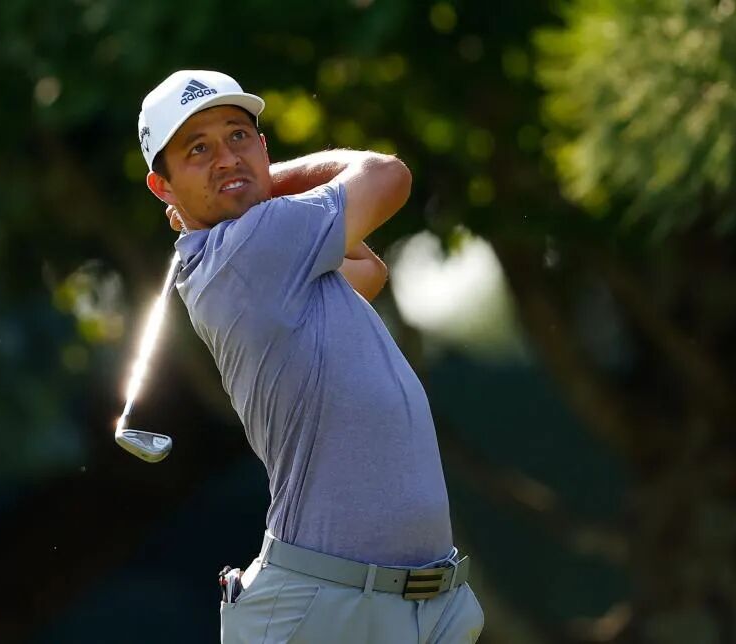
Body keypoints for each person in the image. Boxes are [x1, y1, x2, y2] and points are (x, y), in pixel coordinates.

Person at [137, 70, 483, 643]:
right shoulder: (254, 242)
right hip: (326, 609)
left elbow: (366, 271)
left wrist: (248, 183)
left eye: (238, 137)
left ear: (262, 144)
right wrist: (262, 180)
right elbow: (388, 175)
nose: (226, 157)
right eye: (198, 150)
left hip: (416, 604)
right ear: (163, 187)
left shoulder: (270, 252)